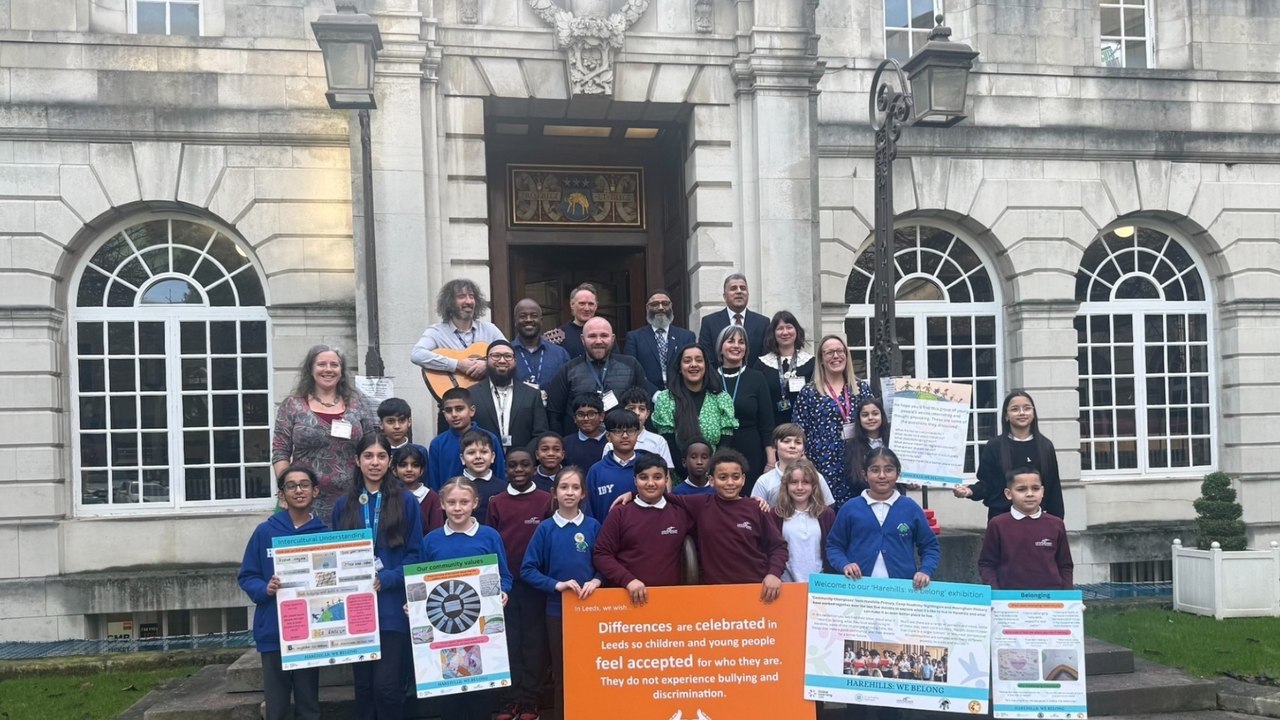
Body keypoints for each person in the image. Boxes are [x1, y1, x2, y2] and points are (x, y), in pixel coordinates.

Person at [331, 434, 424, 720]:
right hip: (356, 609)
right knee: (364, 687)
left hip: (391, 607)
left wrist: (389, 579)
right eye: (368, 456)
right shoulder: (343, 504)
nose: (375, 462)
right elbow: (334, 557)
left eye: (381, 456)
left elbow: (415, 555)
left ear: (389, 462)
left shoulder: (406, 502)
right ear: (357, 461)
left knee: (387, 686)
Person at [238, 465, 327, 720]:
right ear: (282, 494)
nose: (298, 490)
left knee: (309, 703)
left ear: (315, 491)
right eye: (291, 485)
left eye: (304, 485)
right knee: (276, 706)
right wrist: (265, 588)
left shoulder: (325, 535)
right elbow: (247, 575)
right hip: (274, 631)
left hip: (310, 634)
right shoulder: (265, 532)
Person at [421, 477, 512, 720]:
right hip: (445, 630)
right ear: (442, 504)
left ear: (475, 503)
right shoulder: (431, 540)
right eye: (452, 502)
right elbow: (421, 582)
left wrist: (503, 592)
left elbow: (504, 575)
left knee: (481, 693)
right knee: (450, 692)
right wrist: (416, 606)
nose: (458, 507)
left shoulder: (489, 536)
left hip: (480, 628)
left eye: (464, 502)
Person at [521, 466, 603, 720]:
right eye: (564, 487)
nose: (569, 492)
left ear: (583, 494)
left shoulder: (593, 526)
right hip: (557, 611)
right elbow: (528, 569)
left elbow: (604, 564)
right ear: (554, 493)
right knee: (563, 672)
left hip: (590, 610)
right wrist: (556, 585)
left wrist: (598, 581)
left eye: (575, 487)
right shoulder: (546, 528)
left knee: (591, 669)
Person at [271, 345, 379, 521]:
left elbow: (371, 446)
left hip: (352, 499)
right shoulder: (292, 405)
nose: (328, 369)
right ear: (311, 369)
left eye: (334, 365)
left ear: (341, 371)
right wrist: (286, 487)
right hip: (304, 500)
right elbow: (280, 451)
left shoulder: (359, 404)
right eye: (322, 364)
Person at [668, 448, 786, 602]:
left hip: (757, 589)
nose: (730, 482)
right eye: (723, 477)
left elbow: (778, 547)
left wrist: (774, 574)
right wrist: (632, 494)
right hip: (715, 592)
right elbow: (660, 495)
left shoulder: (756, 508)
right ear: (711, 480)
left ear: (743, 479)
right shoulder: (701, 504)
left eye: (735, 477)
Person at [486, 450, 553, 720]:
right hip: (507, 588)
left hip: (537, 586)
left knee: (534, 644)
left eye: (525, 464)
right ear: (506, 469)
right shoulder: (497, 502)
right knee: (509, 643)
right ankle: (510, 699)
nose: (519, 470)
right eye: (512, 465)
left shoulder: (547, 500)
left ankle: (530, 701)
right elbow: (491, 543)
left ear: (534, 467)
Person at [827, 448, 939, 591]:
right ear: (865, 475)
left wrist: (925, 570)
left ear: (898, 474)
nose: (882, 475)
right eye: (875, 470)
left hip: (902, 591)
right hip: (857, 589)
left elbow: (930, 546)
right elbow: (834, 546)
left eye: (888, 470)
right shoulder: (850, 508)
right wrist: (844, 564)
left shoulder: (910, 508)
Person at [593, 454, 693, 605]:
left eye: (657, 477)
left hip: (669, 601)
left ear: (666, 480)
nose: (650, 483)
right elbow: (601, 554)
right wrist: (628, 581)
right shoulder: (619, 513)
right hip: (626, 600)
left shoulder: (680, 513)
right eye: (644, 477)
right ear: (635, 480)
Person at [954, 389, 1065, 520]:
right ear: (1006, 415)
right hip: (1002, 518)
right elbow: (986, 484)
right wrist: (970, 491)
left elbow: (1053, 488)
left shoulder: (1045, 446)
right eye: (1015, 409)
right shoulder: (994, 446)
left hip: (1038, 519)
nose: (1022, 413)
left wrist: (1057, 522)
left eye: (1027, 408)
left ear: (1034, 413)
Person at [792, 334, 874, 509]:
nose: (835, 356)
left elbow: (876, 425)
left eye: (839, 351)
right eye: (829, 353)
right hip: (822, 468)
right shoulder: (809, 392)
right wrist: (805, 466)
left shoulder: (861, 389)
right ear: (821, 359)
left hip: (857, 465)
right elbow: (798, 432)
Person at [545, 316, 654, 433]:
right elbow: (554, 414)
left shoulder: (631, 365)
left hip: (623, 442)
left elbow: (645, 406)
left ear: (612, 339)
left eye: (604, 336)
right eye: (592, 336)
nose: (598, 341)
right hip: (581, 443)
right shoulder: (568, 369)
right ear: (582, 339)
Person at [978, 467, 1074, 590]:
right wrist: (995, 595)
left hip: (1050, 599)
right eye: (1021, 489)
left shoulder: (1056, 524)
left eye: (1035, 488)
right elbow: (987, 564)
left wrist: (1067, 598)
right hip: (1009, 599)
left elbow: (1065, 565)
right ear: (1008, 493)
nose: (1029, 494)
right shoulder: (997, 524)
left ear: (1042, 491)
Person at [651, 344, 738, 466]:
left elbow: (724, 445)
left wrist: (708, 475)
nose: (693, 364)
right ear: (680, 368)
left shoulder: (721, 399)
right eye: (687, 361)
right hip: (678, 475)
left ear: (706, 366)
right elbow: (668, 445)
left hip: (713, 475)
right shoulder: (666, 399)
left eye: (699, 360)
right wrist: (690, 477)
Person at [714, 325, 776, 491]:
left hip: (751, 450)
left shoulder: (757, 378)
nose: (736, 345)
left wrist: (771, 461)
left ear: (746, 349)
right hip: (719, 448)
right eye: (730, 341)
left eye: (741, 342)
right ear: (720, 347)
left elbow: (767, 424)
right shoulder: (710, 378)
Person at [410, 278, 506, 380]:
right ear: (449, 302)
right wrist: (457, 364)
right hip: (454, 392)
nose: (468, 301)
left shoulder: (489, 329)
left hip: (486, 393)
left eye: (471, 296)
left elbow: (511, 355)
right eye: (461, 296)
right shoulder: (436, 332)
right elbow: (417, 354)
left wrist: (488, 365)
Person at [470, 340, 549, 453]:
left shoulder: (532, 395)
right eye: (496, 356)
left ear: (515, 361)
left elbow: (540, 434)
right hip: (483, 464)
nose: (502, 360)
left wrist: (523, 457)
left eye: (508, 356)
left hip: (522, 465)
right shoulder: (472, 395)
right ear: (486, 360)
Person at [426, 387, 505, 491]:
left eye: (459, 409)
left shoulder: (490, 438)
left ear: (471, 411)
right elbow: (434, 482)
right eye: (449, 410)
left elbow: (499, 475)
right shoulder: (437, 444)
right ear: (444, 414)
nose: (454, 414)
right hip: (451, 504)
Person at [622, 289, 696, 390]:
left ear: (671, 306)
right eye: (655, 304)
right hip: (647, 398)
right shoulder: (634, 338)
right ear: (647, 308)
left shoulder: (687, 336)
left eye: (665, 303)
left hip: (681, 396)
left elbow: (692, 368)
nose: (660, 308)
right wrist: (655, 394)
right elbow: (631, 371)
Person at [752, 424, 836, 508]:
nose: (792, 446)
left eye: (798, 442)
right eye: (786, 441)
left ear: (803, 450)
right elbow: (755, 512)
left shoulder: (816, 477)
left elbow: (828, 508)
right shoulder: (764, 482)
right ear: (774, 446)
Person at [754, 310, 815, 425]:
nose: (785, 332)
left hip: (804, 426)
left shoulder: (811, 363)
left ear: (796, 330)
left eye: (789, 327)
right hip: (772, 426)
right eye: (780, 328)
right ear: (773, 333)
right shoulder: (761, 364)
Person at [697, 273, 770, 363]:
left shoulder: (763, 323)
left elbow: (766, 358)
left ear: (748, 294)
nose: (739, 291)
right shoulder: (709, 322)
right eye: (733, 288)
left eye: (743, 288)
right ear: (725, 296)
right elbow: (707, 358)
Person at [585, 408, 643, 518]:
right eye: (618, 431)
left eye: (630, 431)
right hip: (606, 533)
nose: (625, 436)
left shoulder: (647, 467)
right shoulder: (596, 471)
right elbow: (589, 511)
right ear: (608, 436)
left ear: (637, 435)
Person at [603, 386, 674, 469]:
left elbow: (667, 473)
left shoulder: (658, 441)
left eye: (642, 409)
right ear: (622, 411)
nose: (637, 413)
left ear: (647, 414)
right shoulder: (611, 444)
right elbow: (604, 470)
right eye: (631, 408)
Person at [512, 298, 570, 394]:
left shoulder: (560, 354)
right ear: (515, 321)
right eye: (523, 316)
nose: (528, 320)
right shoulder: (507, 355)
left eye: (534, 316)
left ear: (541, 320)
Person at [460, 428, 507, 525]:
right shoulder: (454, 487)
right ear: (462, 459)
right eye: (471, 452)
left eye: (484, 452)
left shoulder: (503, 488)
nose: (478, 456)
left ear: (493, 457)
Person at [845, 398, 890, 496]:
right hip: (865, 499)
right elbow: (852, 477)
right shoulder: (852, 446)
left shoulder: (893, 441)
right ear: (859, 419)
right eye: (865, 415)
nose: (870, 418)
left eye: (875, 413)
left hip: (894, 497)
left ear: (882, 416)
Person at [394, 443, 442, 534]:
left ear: (422, 470)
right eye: (403, 465)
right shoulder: (389, 495)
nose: (409, 469)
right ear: (394, 470)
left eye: (415, 465)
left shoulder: (432, 497)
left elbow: (436, 532)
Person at [555, 282, 599, 360]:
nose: (586, 308)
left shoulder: (604, 333)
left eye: (591, 304)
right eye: (582, 303)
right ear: (572, 305)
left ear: (596, 306)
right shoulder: (558, 335)